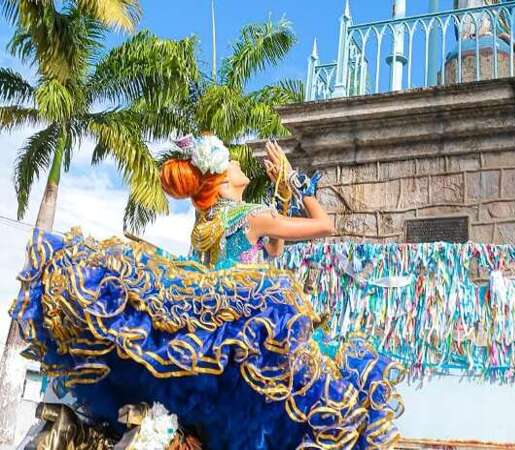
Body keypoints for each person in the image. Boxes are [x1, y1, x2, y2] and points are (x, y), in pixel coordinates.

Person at [10, 135, 404, 450]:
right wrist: (299, 184)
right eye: (233, 161)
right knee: (330, 407)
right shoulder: (251, 216)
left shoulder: (208, 223)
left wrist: (279, 190)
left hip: (218, 341)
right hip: (253, 339)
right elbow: (324, 226)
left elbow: (273, 252)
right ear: (224, 178)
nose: (239, 163)